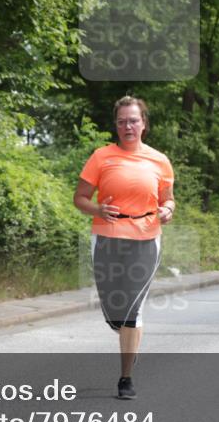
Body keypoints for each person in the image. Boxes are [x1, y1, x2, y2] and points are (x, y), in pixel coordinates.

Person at [73, 97, 174, 400]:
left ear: (144, 123)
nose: (127, 126)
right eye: (121, 121)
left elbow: (168, 198)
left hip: (146, 236)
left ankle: (125, 377)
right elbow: (80, 198)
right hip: (107, 234)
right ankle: (129, 338)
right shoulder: (101, 157)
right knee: (114, 311)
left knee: (132, 308)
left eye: (133, 120)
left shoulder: (159, 160)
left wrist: (168, 209)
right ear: (116, 125)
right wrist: (97, 210)